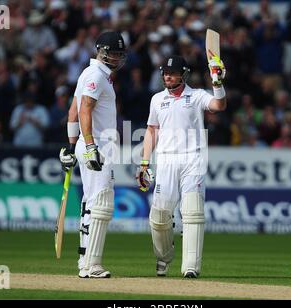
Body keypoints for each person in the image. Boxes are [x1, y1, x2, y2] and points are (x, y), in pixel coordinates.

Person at [136, 55, 227, 278]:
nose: (167, 76)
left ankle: (190, 267)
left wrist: (217, 82)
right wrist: (144, 163)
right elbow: (151, 131)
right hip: (165, 159)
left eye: (173, 72)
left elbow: (219, 105)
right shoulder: (157, 99)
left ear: (183, 74)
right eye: (165, 72)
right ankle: (164, 258)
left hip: (192, 158)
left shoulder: (196, 96)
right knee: (159, 216)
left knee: (192, 211)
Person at [59, 31, 126, 278]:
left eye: (120, 54)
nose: (117, 58)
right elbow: (84, 109)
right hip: (96, 144)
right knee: (101, 202)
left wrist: (71, 144)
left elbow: (72, 112)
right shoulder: (96, 75)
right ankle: (92, 264)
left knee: (91, 202)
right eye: (114, 53)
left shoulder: (92, 74)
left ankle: (85, 261)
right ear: (102, 51)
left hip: (92, 143)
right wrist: (88, 146)